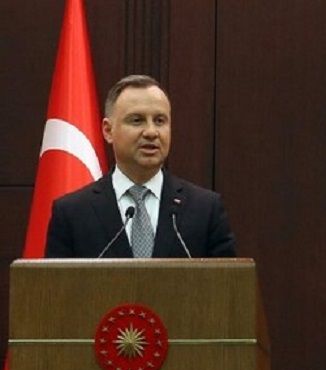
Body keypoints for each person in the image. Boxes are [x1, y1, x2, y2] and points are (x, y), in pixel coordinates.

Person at [46, 74, 236, 258]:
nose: (151, 132)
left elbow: (227, 279)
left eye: (160, 121)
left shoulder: (205, 209)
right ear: (108, 131)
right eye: (137, 120)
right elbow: (55, 281)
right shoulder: (72, 213)